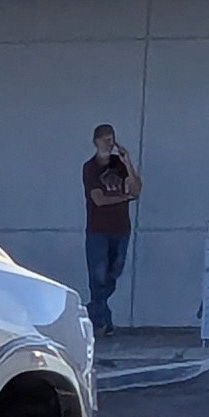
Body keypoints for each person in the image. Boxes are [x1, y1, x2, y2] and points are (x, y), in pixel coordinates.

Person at [83, 124, 140, 338]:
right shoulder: (90, 167)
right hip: (98, 229)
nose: (108, 144)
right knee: (98, 277)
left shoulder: (119, 164)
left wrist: (128, 162)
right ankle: (100, 321)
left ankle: (91, 312)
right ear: (95, 142)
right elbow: (99, 199)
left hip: (121, 228)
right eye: (104, 140)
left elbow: (136, 189)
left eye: (111, 140)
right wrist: (125, 198)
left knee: (114, 273)